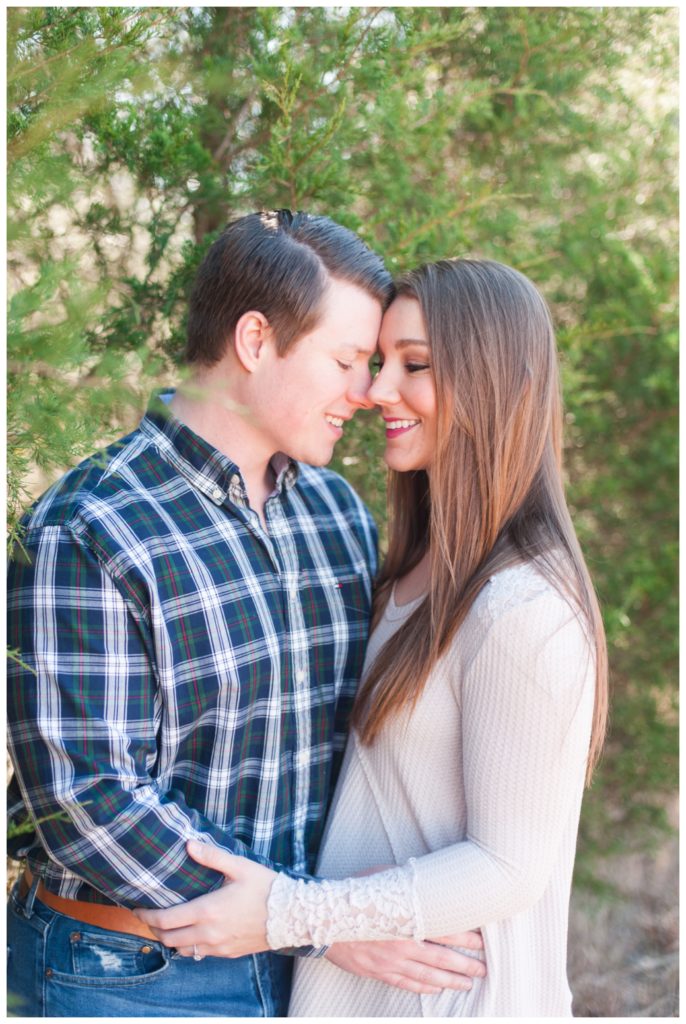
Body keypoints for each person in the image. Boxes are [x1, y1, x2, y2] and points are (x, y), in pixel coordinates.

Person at [6, 213, 483, 1018]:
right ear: (255, 340)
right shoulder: (90, 527)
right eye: (345, 361)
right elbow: (88, 799)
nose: (366, 393)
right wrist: (310, 920)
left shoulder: (336, 514)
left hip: (313, 975)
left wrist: (321, 920)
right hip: (129, 972)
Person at [138, 257, 609, 1017]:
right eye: (377, 362)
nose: (375, 391)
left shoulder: (523, 607)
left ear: (492, 382)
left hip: (452, 999)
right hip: (354, 992)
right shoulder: (410, 570)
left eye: (413, 365)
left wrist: (292, 914)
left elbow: (509, 865)